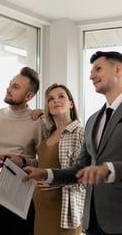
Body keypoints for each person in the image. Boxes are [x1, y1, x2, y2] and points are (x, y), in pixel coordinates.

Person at [23, 51, 122, 235]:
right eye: (91, 71)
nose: (91, 76)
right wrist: (45, 174)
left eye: (98, 69)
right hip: (93, 221)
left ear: (117, 69)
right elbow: (80, 169)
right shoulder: (93, 120)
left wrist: (108, 170)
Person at [0, 66, 46, 235]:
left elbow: (43, 163)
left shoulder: (37, 122)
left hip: (21, 199)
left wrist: (22, 161)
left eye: (16, 87)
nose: (9, 89)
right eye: (10, 84)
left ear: (29, 96)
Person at [33, 83, 86, 235]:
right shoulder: (47, 135)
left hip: (65, 213)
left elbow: (87, 175)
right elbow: (43, 165)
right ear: (47, 107)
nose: (56, 101)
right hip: (41, 211)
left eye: (61, 96)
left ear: (71, 104)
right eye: (50, 99)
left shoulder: (81, 133)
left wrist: (57, 181)